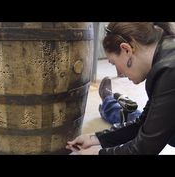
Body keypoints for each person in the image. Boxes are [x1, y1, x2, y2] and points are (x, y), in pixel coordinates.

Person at [66, 22, 175, 155]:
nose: (118, 72)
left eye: (113, 63)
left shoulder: (169, 71)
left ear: (127, 49)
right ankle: (109, 100)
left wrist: (98, 153)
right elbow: (143, 123)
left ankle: (108, 101)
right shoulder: (165, 59)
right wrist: (95, 138)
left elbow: (145, 149)